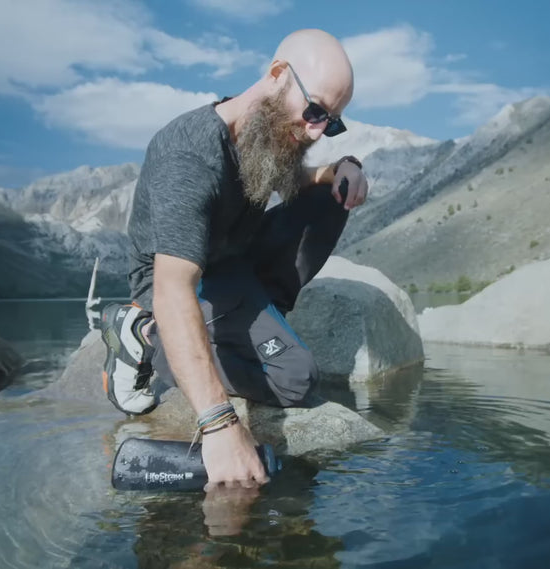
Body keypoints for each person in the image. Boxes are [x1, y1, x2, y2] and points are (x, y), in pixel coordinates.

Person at [98, 28, 367, 493]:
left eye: (333, 122)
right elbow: (173, 286)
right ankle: (142, 333)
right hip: (182, 282)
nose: (318, 130)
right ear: (278, 75)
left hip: (232, 263)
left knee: (329, 198)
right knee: (295, 380)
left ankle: (262, 321)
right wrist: (219, 423)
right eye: (317, 110)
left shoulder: (263, 133)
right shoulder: (191, 156)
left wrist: (340, 168)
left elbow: (294, 180)